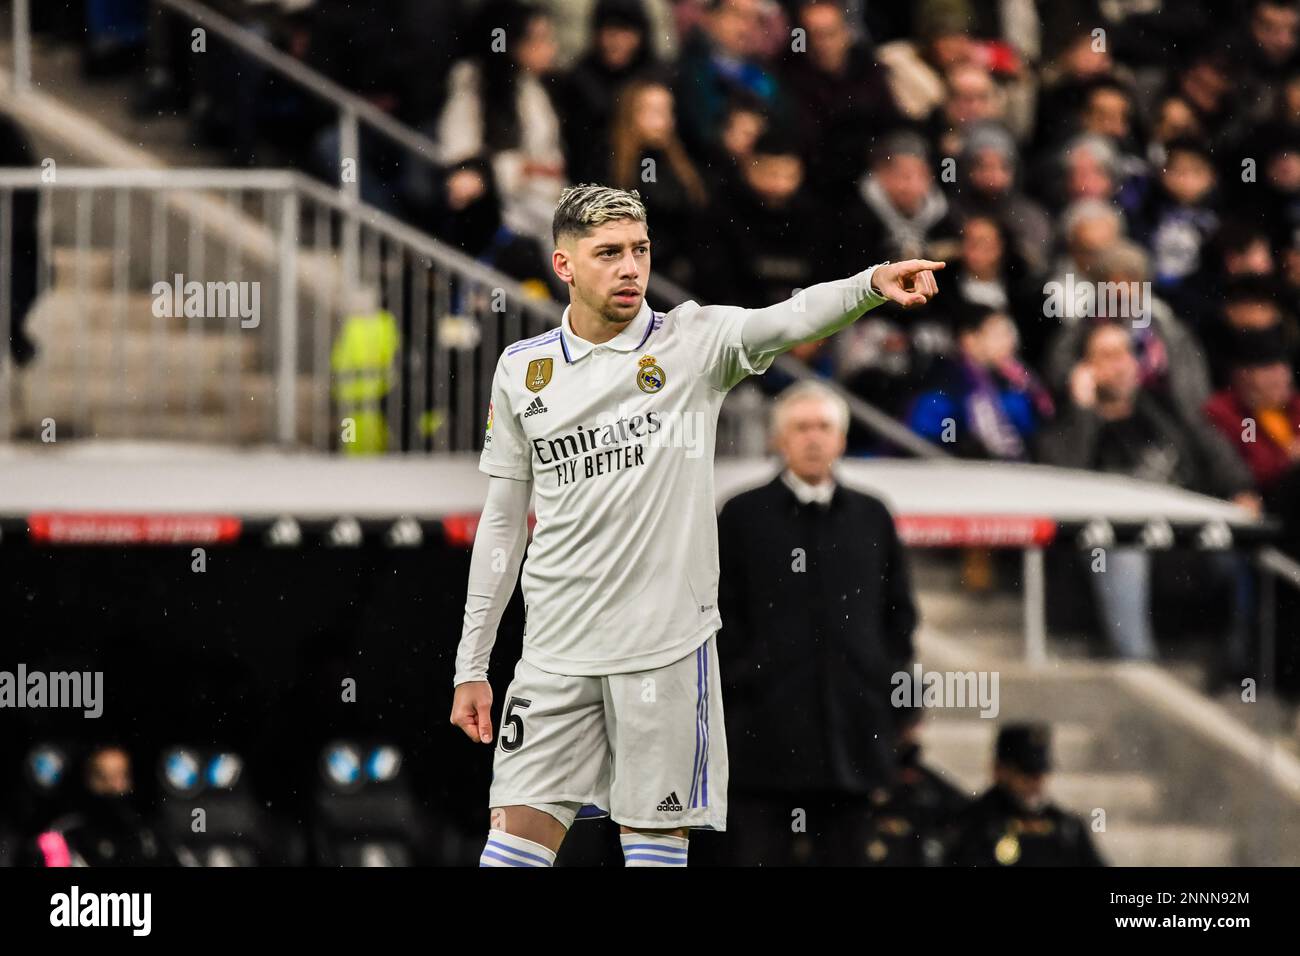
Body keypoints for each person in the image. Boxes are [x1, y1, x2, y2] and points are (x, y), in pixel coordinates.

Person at [449, 183, 943, 868]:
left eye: (640, 251)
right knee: (509, 851)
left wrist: (869, 286)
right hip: (554, 653)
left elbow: (792, 317)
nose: (630, 268)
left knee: (653, 852)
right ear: (563, 266)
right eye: (609, 253)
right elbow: (502, 525)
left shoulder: (692, 343)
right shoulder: (522, 372)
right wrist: (471, 664)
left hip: (665, 654)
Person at [709, 381, 918, 865]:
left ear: (842, 439)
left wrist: (882, 679)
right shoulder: (742, 515)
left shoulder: (871, 516)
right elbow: (717, 612)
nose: (813, 438)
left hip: (852, 737)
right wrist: (747, 676)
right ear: (778, 439)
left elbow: (898, 613)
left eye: (824, 427)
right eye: (800, 427)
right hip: (763, 740)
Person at [1037, 320, 1259, 665]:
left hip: (1182, 540)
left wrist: (1241, 489)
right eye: (1108, 355)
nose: (1122, 362)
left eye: (1127, 352)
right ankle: (1138, 665)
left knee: (1244, 546)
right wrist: (1083, 411)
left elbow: (1214, 450)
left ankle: (1241, 670)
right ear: (1084, 368)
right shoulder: (1066, 424)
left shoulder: (1164, 410)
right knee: (1122, 549)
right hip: (1115, 543)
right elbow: (1062, 481)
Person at [947, 723, 1106, 867]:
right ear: (999, 770)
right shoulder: (972, 824)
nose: (1035, 782)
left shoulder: (1065, 828)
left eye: (1040, 773)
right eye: (1026, 773)